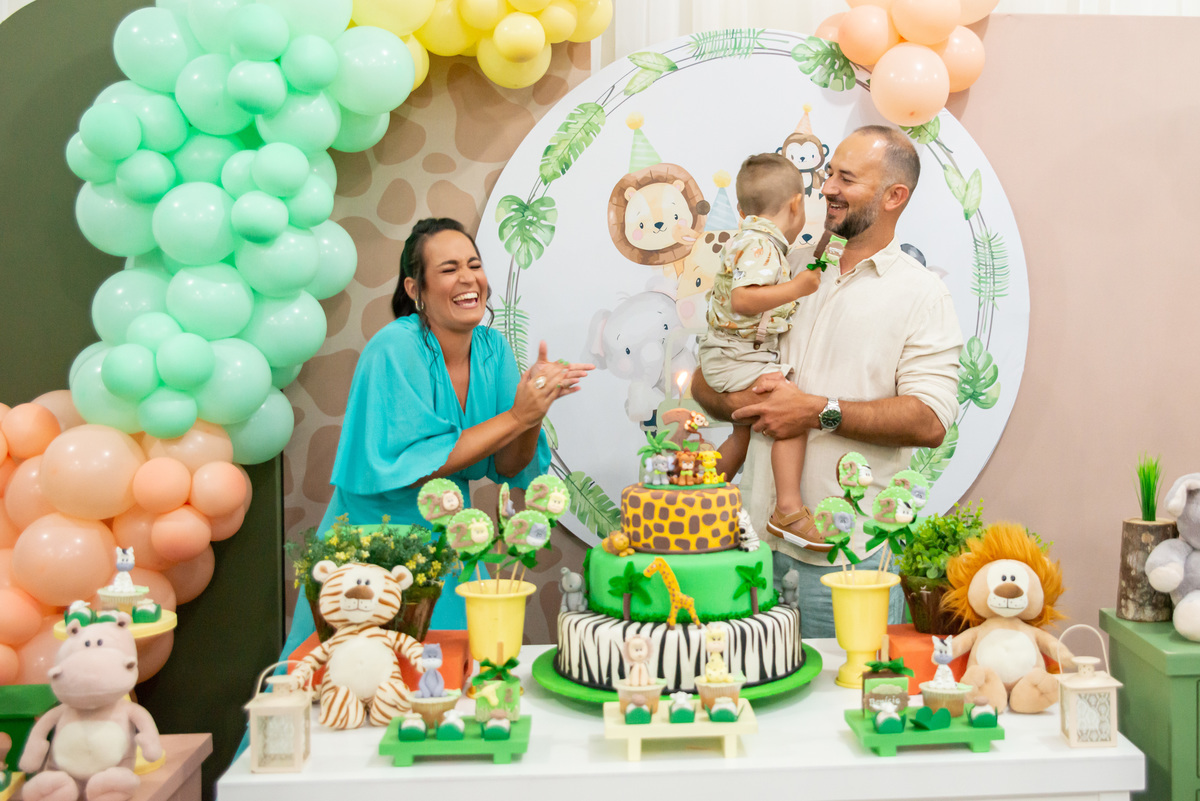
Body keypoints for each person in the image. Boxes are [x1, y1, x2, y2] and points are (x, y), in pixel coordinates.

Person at [691, 126, 963, 638]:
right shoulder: (778, 265)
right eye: (829, 172)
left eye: (847, 178)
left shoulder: (922, 295)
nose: (829, 187)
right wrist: (745, 402)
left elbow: (929, 420)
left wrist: (816, 410)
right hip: (747, 549)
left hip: (843, 559)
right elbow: (707, 382)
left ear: (894, 196)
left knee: (843, 700)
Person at [282, 217, 592, 658]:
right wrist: (516, 415)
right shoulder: (394, 349)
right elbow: (418, 466)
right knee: (351, 679)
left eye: (474, 264)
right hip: (375, 547)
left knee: (451, 679)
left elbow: (508, 465)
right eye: (448, 269)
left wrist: (532, 414)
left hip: (448, 541)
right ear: (415, 289)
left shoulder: (492, 349)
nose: (468, 278)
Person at [697, 153, 823, 545]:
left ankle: (700, 502)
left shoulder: (753, 241)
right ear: (796, 204)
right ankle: (788, 510)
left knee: (742, 433)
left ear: (739, 208)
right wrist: (799, 287)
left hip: (734, 353)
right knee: (792, 411)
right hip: (737, 355)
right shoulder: (761, 247)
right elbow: (743, 300)